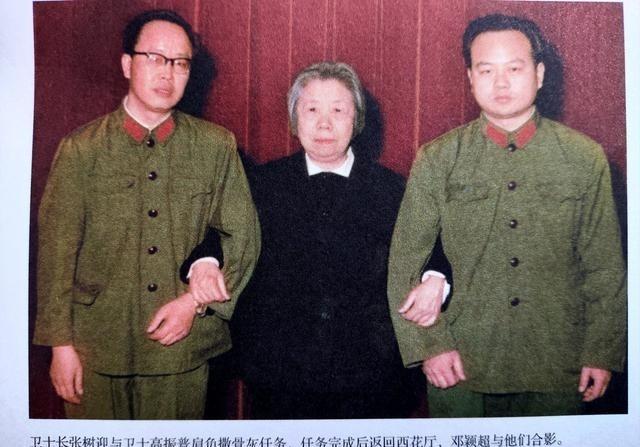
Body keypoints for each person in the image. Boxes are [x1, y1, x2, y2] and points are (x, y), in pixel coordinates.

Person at [387, 13, 626, 417]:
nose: (501, 83)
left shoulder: (584, 158)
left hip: (558, 365)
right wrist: (430, 346)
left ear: (539, 74)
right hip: (461, 366)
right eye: (486, 70)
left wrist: (601, 351)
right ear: (470, 77)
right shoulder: (439, 158)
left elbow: (604, 267)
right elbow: (403, 264)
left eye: (514, 69)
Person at [184, 61, 449, 419]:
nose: (324, 124)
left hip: (372, 376)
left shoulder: (393, 189)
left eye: (338, 110)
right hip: (279, 376)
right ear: (294, 119)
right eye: (311, 110)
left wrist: (435, 278)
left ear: (357, 120)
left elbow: (433, 247)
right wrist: (205, 262)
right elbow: (221, 232)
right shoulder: (261, 183)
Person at [32, 9, 260, 419]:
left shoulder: (215, 146)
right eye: (154, 58)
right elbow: (56, 253)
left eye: (180, 63)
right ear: (127, 64)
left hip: (181, 348)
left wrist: (193, 303)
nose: (166, 73)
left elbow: (243, 237)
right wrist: (60, 346)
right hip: (94, 348)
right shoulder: (81, 149)